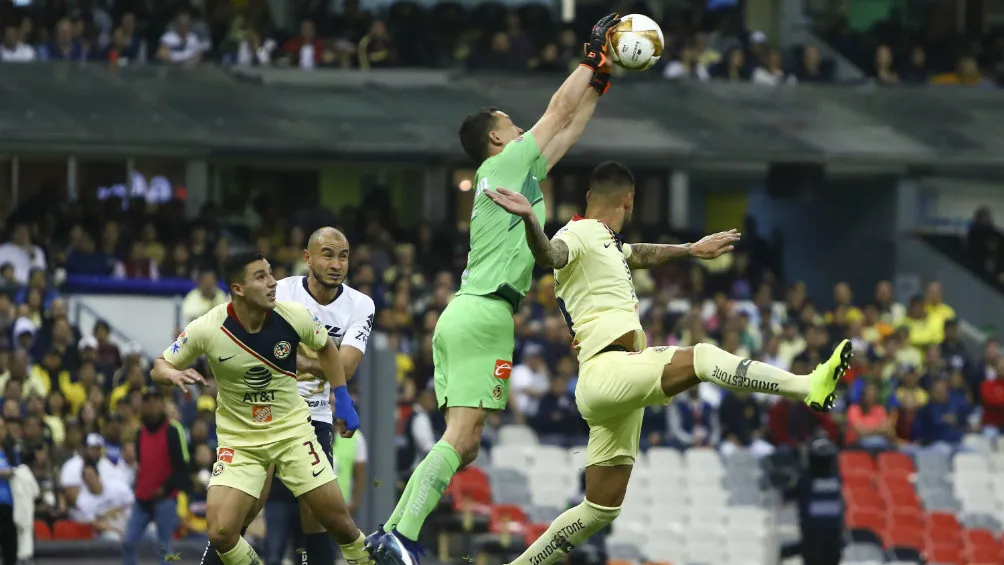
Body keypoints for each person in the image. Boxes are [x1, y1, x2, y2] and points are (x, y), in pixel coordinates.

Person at [484, 161, 851, 565]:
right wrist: (531, 220)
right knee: (704, 357)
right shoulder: (578, 232)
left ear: (591, 197)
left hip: (606, 381)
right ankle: (807, 387)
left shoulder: (603, 241)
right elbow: (550, 252)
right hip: (611, 370)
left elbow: (636, 253)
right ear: (630, 201)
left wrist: (692, 249)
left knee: (600, 509)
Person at [368, 13, 623, 564]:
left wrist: (599, 82)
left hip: (473, 313)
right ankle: (400, 537)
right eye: (511, 123)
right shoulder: (503, 162)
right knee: (461, 438)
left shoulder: (516, 176)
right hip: (483, 313)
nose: (520, 128)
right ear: (495, 138)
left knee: (467, 440)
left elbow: (570, 128)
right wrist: (591, 55)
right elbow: (557, 112)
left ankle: (390, 531)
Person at [151, 251, 380, 565]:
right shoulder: (208, 327)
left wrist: (341, 397)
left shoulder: (293, 316)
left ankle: (374, 558)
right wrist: (172, 373)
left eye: (271, 274)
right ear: (238, 289)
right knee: (220, 532)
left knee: (340, 524)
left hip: (292, 432)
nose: (273, 283)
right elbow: (159, 365)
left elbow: (327, 348)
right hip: (240, 441)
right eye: (261, 277)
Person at [208, 227, 375, 565]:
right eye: (327, 255)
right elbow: (255, 344)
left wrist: (292, 357)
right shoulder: (280, 291)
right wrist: (322, 362)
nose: (336, 264)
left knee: (319, 511)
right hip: (267, 404)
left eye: (343, 256)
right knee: (248, 504)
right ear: (307, 258)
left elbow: (346, 366)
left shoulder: (360, 304)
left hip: (316, 411)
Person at [122, 386, 190, 565]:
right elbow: (142, 465)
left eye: (155, 400)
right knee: (128, 541)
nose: (151, 405)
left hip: (165, 498)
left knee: (164, 546)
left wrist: (165, 489)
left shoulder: (173, 431)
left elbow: (183, 469)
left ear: (162, 404)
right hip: (142, 498)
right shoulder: (140, 433)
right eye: (147, 401)